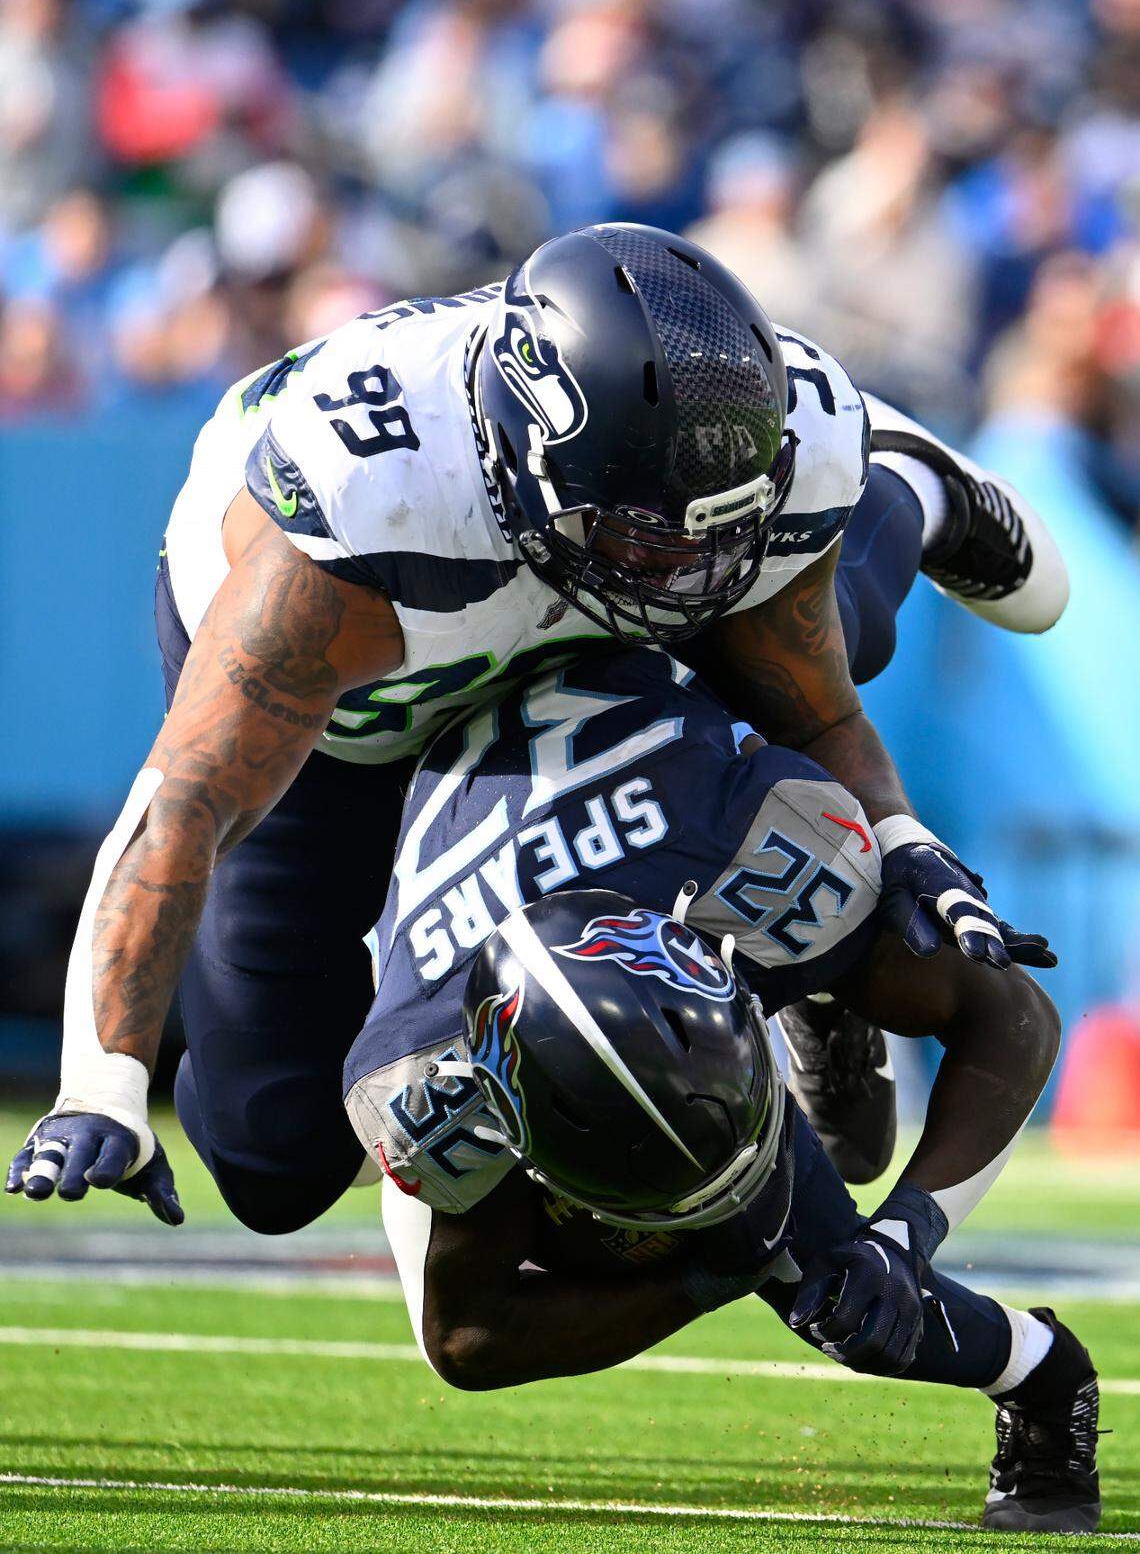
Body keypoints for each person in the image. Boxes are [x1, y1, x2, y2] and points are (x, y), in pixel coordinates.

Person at [6, 223, 1068, 1232]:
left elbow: (822, 710)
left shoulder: (772, 446)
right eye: (643, 531)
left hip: (572, 651)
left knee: (809, 642)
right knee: (272, 1158)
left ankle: (907, 496)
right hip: (354, 730)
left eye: (713, 526)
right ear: (526, 458)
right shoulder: (359, 519)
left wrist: (900, 842)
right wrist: (101, 1084)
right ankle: (911, 481)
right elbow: (180, 809)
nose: (686, 570)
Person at [339, 654, 1096, 1533]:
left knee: (864, 596)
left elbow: (1013, 1015)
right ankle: (1042, 1367)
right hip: (499, 896)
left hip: (683, 801)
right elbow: (468, 1339)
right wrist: (708, 1276)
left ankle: (927, 510)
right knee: (271, 1160)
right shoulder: (428, 1078)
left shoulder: (766, 838)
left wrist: (905, 1236)